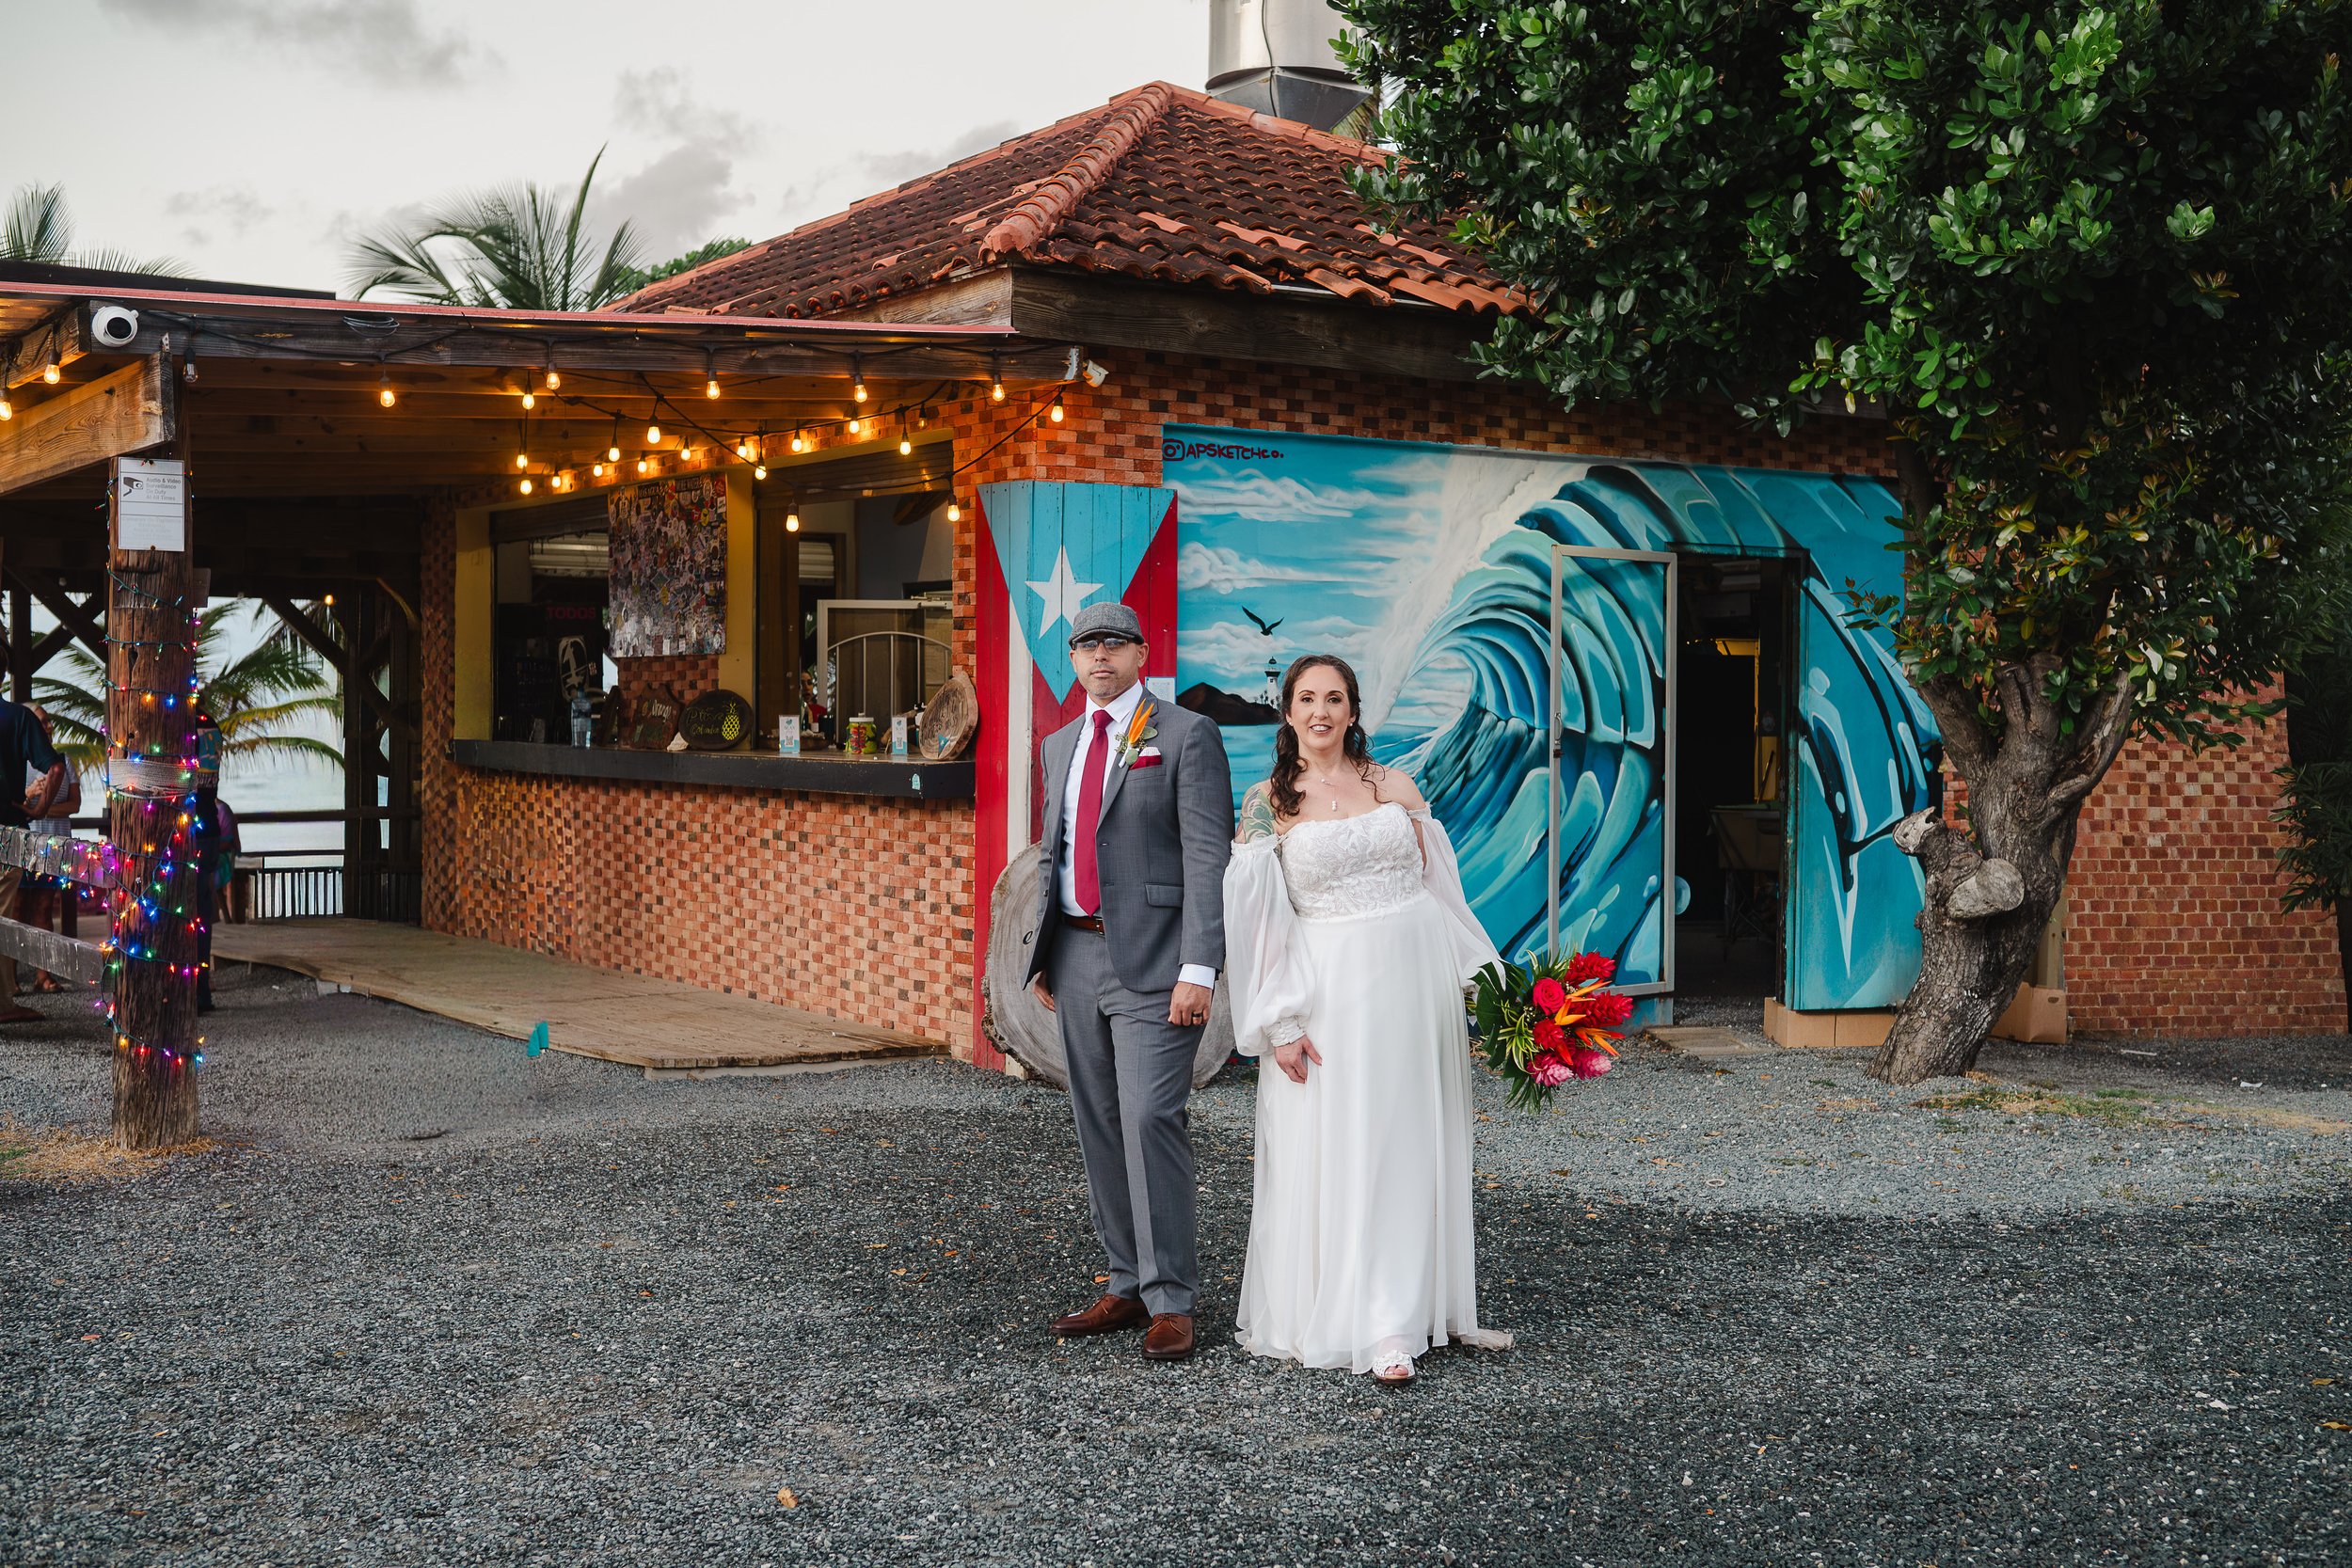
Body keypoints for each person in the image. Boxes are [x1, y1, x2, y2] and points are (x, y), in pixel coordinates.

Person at [1222, 655, 1511, 1384]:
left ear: (1354, 710)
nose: (1322, 711)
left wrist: (1490, 984)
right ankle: (1357, 1315)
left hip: (1414, 989)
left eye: (1336, 698)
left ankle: (1407, 1312)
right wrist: (1277, 1022)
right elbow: (1258, 923)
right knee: (1345, 1144)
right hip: (1331, 994)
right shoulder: (1267, 803)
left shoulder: (1395, 785)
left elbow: (1441, 894)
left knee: (1407, 1141)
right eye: (1308, 698)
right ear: (1287, 711)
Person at [1025, 602, 1233, 1362]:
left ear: (1142, 653)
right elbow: (1054, 853)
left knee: (1151, 1117)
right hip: (1076, 956)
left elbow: (1209, 857)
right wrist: (1044, 952)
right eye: (1086, 645)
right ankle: (1126, 1280)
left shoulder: (1185, 735)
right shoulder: (1057, 745)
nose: (1100, 656)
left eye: (1115, 643)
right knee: (1099, 1120)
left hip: (1157, 962)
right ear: (1073, 660)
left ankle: (1173, 1297)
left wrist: (1201, 967)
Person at [0, 694, 67, 1023]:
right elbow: (55, 767)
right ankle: (3, 1004)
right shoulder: (17, 718)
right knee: (3, 918)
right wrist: (38, 809)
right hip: (6, 835)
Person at [20, 705, 83, 993]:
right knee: (16, 909)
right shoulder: (18, 760)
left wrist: (40, 809)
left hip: (55, 846)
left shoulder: (63, 760)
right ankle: (10, 978)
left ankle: (43, 974)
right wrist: (29, 795)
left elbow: (75, 805)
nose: (46, 727)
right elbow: (11, 803)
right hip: (24, 844)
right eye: (40, 722)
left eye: (48, 722)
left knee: (46, 907)